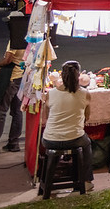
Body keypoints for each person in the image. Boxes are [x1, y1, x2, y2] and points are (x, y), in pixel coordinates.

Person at [41, 60, 93, 192]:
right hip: (74, 138)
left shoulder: (50, 93)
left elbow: (47, 117)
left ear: (61, 76)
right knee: (86, 143)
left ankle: (48, 181)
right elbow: (86, 118)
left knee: (74, 138)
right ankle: (86, 181)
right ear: (79, 76)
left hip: (49, 139)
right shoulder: (84, 94)